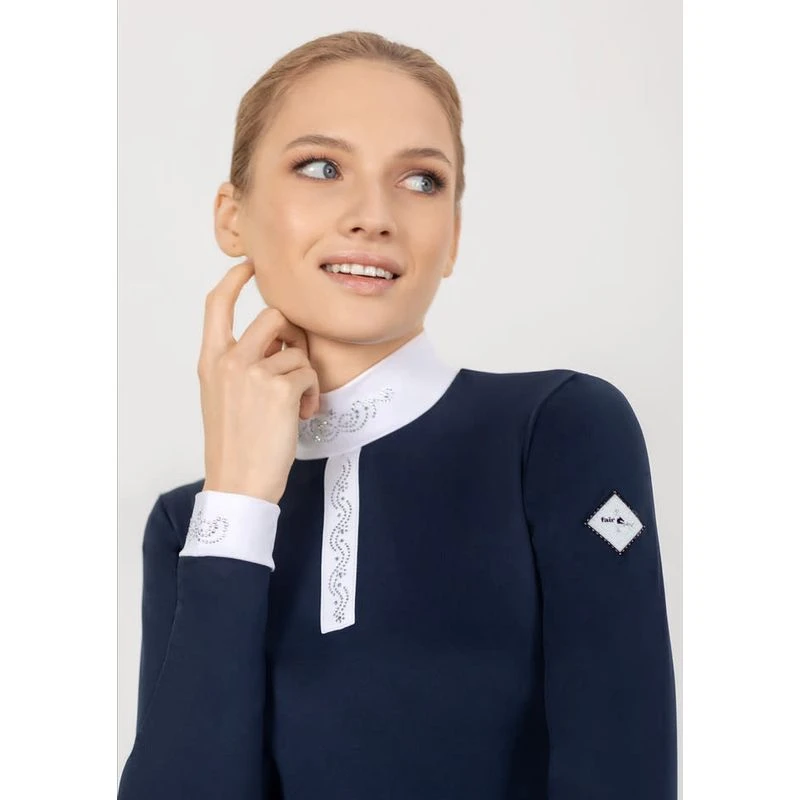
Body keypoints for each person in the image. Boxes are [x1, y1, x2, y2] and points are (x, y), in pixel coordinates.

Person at [118, 29, 678, 800]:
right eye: (322, 167)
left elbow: (624, 770)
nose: (374, 215)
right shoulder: (190, 525)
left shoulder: (557, 431)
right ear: (232, 216)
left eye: (420, 180)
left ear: (452, 237)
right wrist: (239, 503)